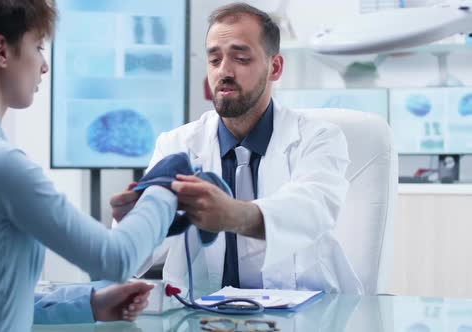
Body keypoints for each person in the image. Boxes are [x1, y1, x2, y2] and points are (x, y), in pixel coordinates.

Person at [0, 0, 177, 330]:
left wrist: (88, 304)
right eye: (37, 46)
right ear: (1, 52)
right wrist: (167, 187)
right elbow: (116, 258)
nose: (44, 65)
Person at [111, 3, 363, 294]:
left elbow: (310, 209)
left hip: (307, 314)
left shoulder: (319, 138)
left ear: (275, 67)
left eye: (241, 58)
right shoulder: (176, 145)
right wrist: (133, 226)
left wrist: (236, 215)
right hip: (202, 319)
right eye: (214, 59)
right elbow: (133, 261)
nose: (224, 71)